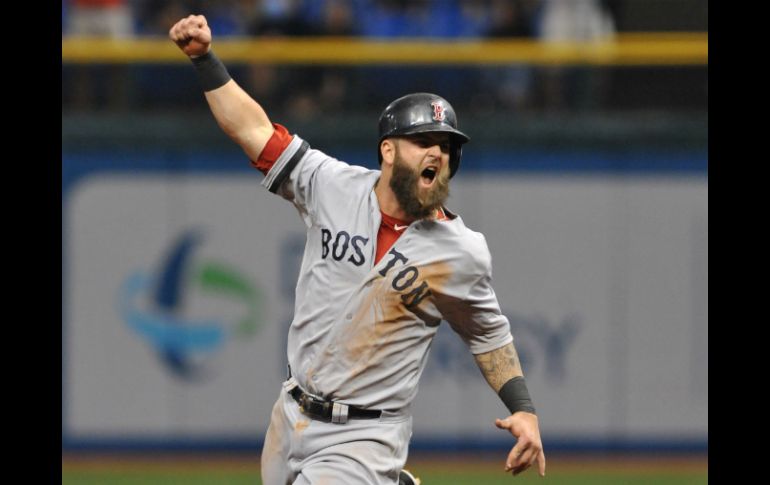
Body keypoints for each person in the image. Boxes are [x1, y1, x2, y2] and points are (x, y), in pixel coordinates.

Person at [169, 14, 546, 485]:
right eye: (424, 142)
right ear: (388, 151)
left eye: (447, 148)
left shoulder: (461, 252)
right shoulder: (333, 186)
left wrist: (524, 411)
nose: (438, 154)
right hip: (291, 413)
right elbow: (253, 131)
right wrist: (205, 59)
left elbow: (488, 335)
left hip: (367, 433)